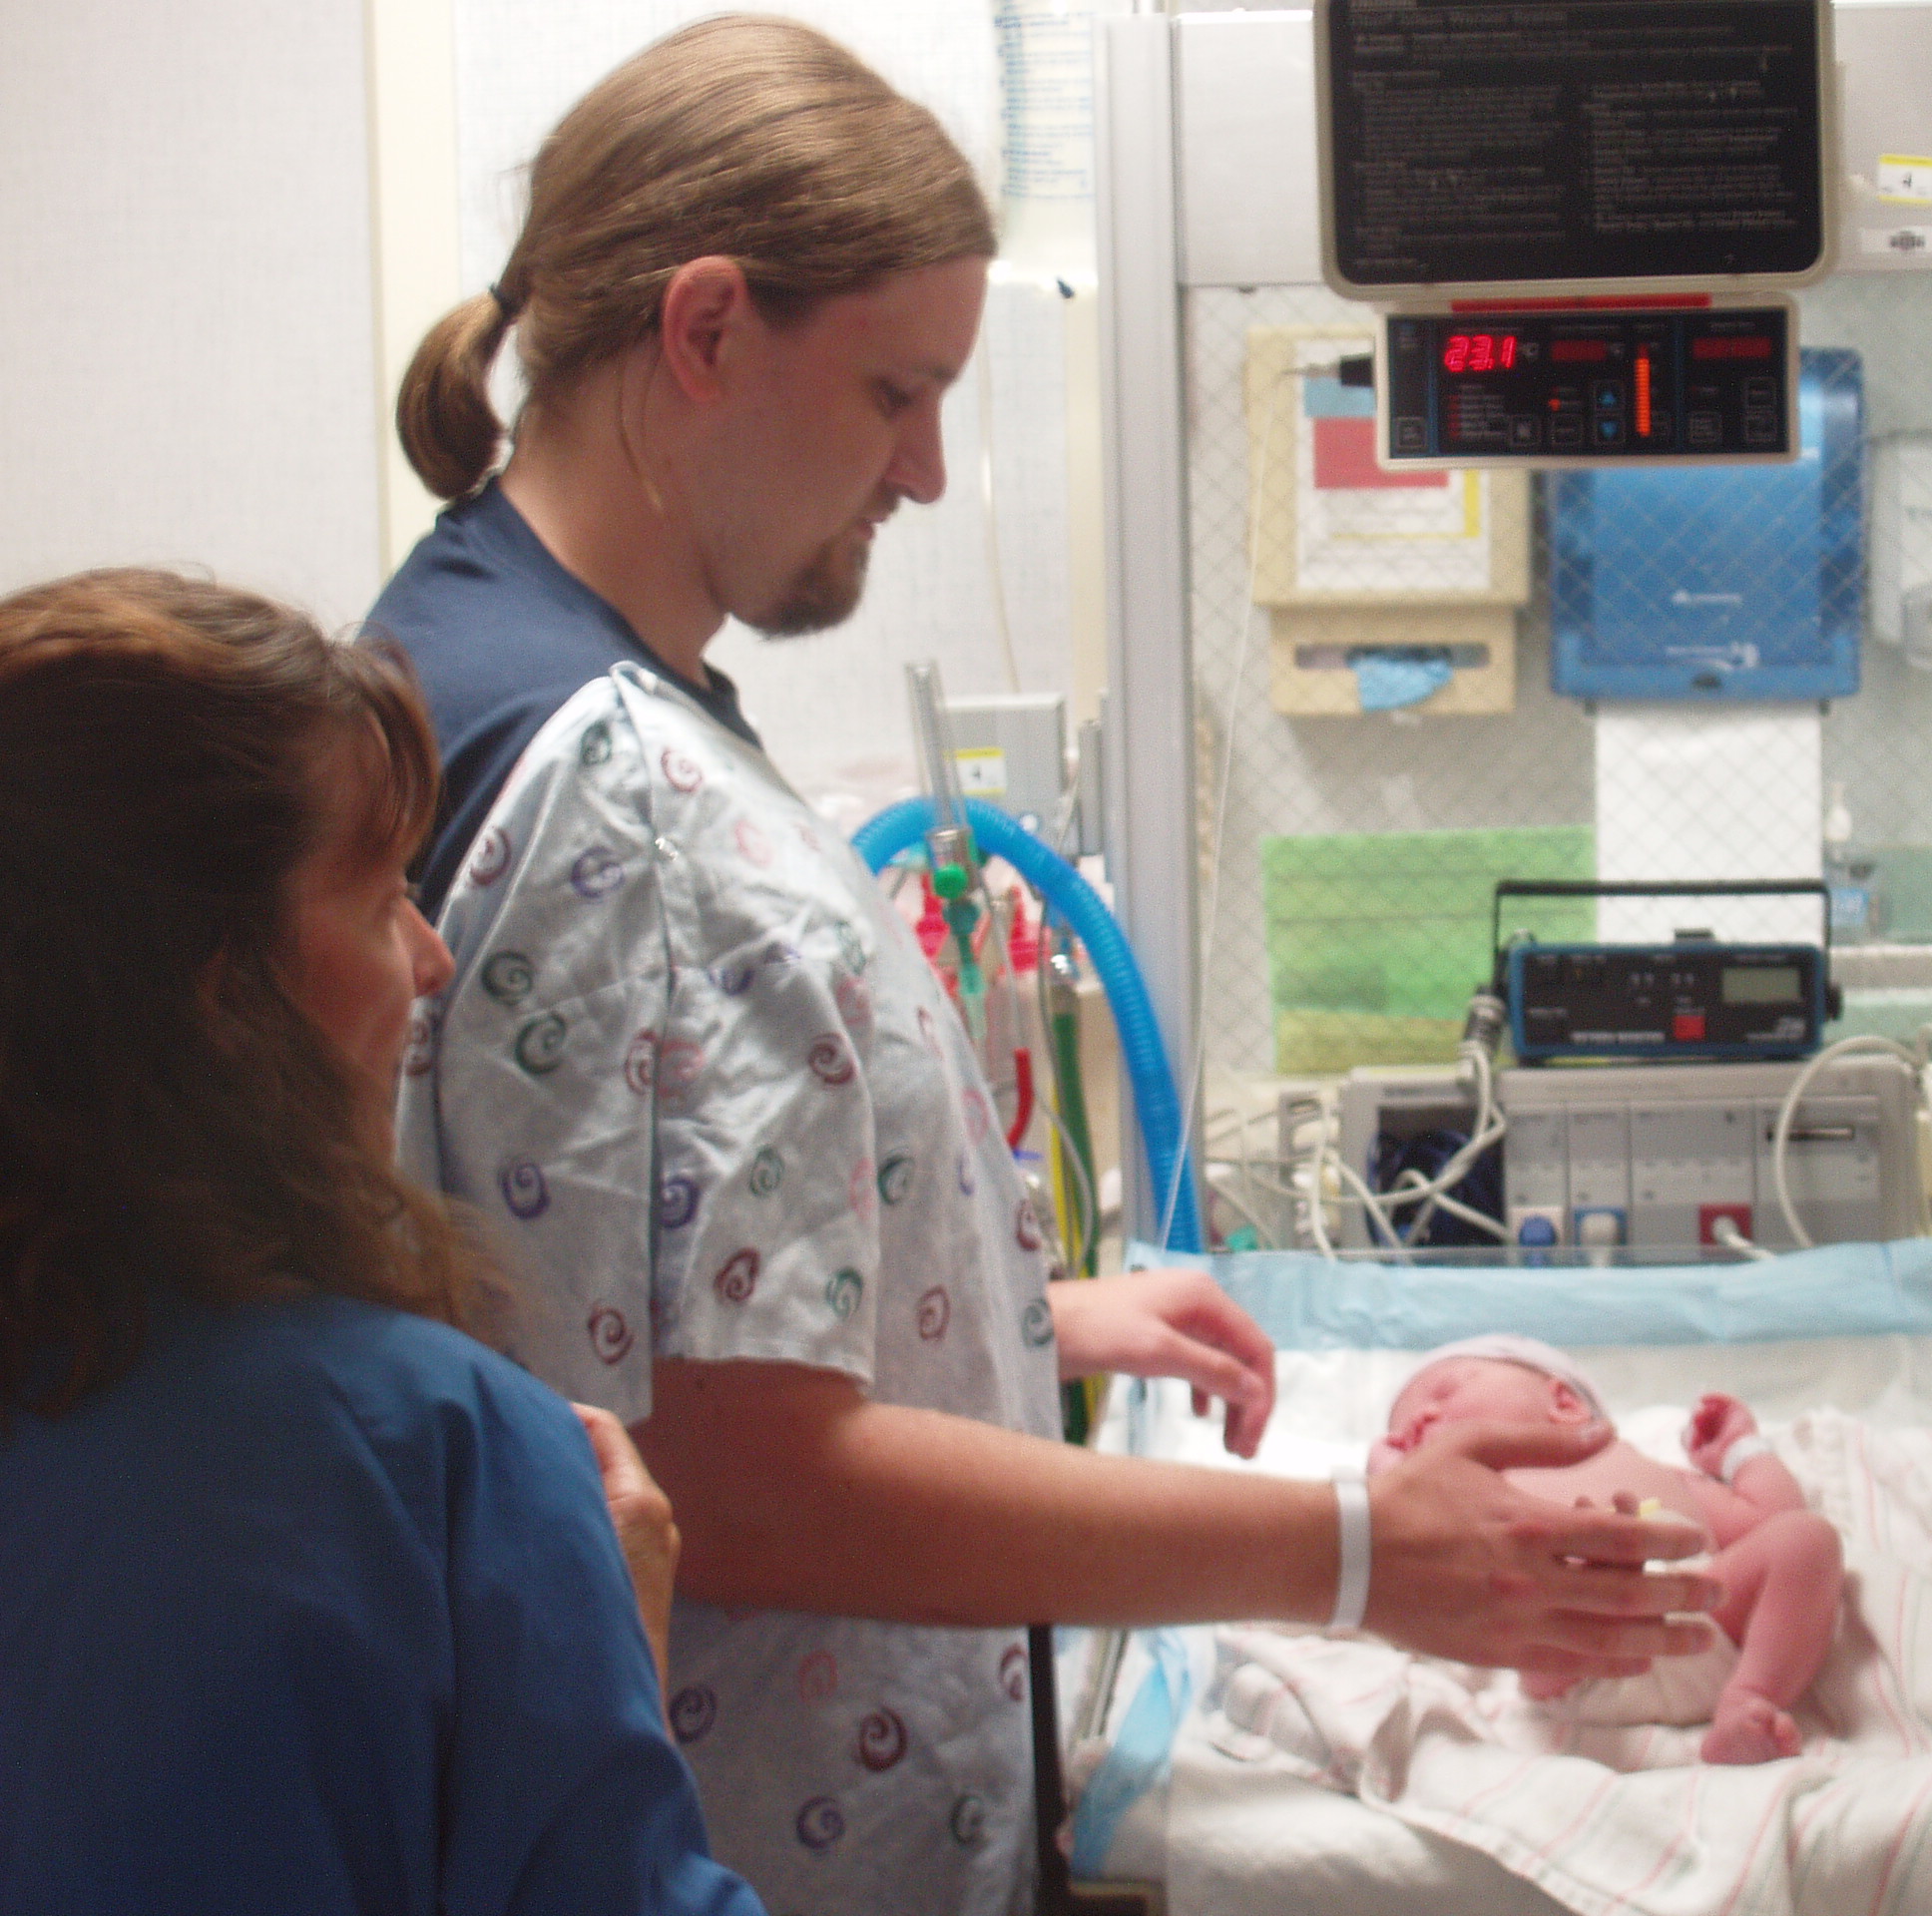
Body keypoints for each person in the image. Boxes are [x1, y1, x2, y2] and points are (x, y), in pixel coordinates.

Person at [371, 17, 1716, 1913]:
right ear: (706, 330)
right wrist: (1352, 1555)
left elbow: (591, 1299)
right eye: (895, 391)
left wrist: (1020, 1321)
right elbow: (725, 1479)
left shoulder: (471, 660)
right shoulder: (608, 787)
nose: (927, 471)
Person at [0, 570, 761, 1916]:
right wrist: (612, 1659)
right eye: (376, 901)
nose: (429, 957)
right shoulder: (438, 1463)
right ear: (224, 998)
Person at [1371, 1337, 1845, 1764]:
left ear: (1564, 1403)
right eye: (1401, 1433)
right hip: (1567, 1646)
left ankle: (1750, 1700)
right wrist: (1393, 1486)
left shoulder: (1649, 1469)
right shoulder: (1478, 1496)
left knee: (1807, 1539)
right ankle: (1585, 1577)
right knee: (1532, 1587)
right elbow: (1410, 1560)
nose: (1419, 1419)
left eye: (1444, 1393)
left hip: (1703, 1618)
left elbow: (1770, 1518)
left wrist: (1742, 1451)